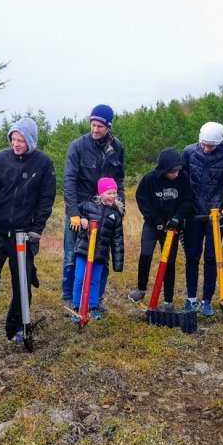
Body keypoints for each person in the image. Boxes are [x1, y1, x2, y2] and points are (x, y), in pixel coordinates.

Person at [0, 118, 56, 348]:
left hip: (23, 235)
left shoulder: (43, 164)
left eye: (21, 140)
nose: (16, 144)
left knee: (23, 283)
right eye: (13, 139)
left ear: (31, 141)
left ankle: (17, 327)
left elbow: (46, 199)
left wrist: (36, 229)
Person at [62, 104, 125, 308]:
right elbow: (68, 180)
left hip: (106, 210)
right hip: (80, 211)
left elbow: (120, 179)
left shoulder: (117, 148)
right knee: (74, 255)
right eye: (93, 124)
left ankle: (95, 300)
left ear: (108, 126)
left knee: (101, 258)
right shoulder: (78, 146)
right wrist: (73, 212)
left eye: (100, 126)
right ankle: (71, 299)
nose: (95, 129)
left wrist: (119, 206)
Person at [179, 122, 223, 316]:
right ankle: (191, 299)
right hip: (193, 214)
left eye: (211, 146)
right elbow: (182, 179)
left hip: (216, 216)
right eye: (204, 145)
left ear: (219, 143)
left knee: (211, 257)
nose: (207, 149)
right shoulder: (189, 152)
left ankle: (207, 300)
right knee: (192, 256)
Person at [129, 147, 193, 307]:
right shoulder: (150, 179)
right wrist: (156, 221)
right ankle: (141, 289)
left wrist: (177, 218)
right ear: (164, 169)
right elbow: (142, 200)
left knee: (169, 261)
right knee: (146, 253)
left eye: (178, 171)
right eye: (172, 171)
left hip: (173, 226)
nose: (175, 174)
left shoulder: (183, 178)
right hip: (152, 224)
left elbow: (188, 200)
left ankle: (168, 300)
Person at [70, 178, 125, 320]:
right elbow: (74, 212)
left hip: (100, 254)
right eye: (109, 193)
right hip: (83, 251)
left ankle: (93, 306)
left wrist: (118, 263)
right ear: (101, 194)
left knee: (95, 280)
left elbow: (117, 239)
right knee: (80, 278)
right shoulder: (88, 206)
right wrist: (81, 218)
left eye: (115, 193)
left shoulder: (116, 214)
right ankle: (77, 306)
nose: (113, 196)